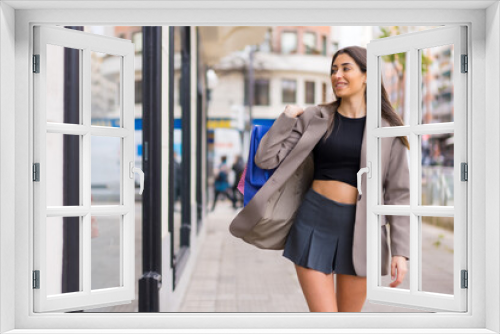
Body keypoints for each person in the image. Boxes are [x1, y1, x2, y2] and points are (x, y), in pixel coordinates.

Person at [231, 46, 410, 312]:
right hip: (313, 221)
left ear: (366, 76)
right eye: (334, 70)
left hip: (362, 230)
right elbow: (265, 159)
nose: (337, 75)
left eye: (346, 68)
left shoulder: (387, 131)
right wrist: (286, 117)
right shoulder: (316, 116)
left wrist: (400, 251)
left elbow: (398, 194)